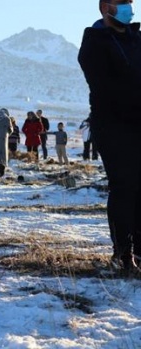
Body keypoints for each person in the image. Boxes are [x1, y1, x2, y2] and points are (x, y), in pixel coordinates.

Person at [78, 0, 141, 272]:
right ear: (105, 7)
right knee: (124, 186)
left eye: (130, 1)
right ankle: (123, 255)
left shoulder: (137, 38)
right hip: (113, 125)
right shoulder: (95, 43)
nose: (128, 7)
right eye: (121, 2)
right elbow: (105, 87)